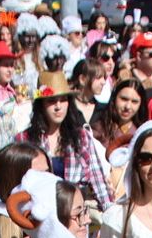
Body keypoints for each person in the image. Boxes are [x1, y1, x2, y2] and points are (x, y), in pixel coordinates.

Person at [20, 72, 113, 210]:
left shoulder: (81, 137)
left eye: (63, 100)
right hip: (38, 214)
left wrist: (110, 211)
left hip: (73, 215)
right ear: (41, 105)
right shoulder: (24, 139)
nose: (58, 106)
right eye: (52, 101)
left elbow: (97, 179)